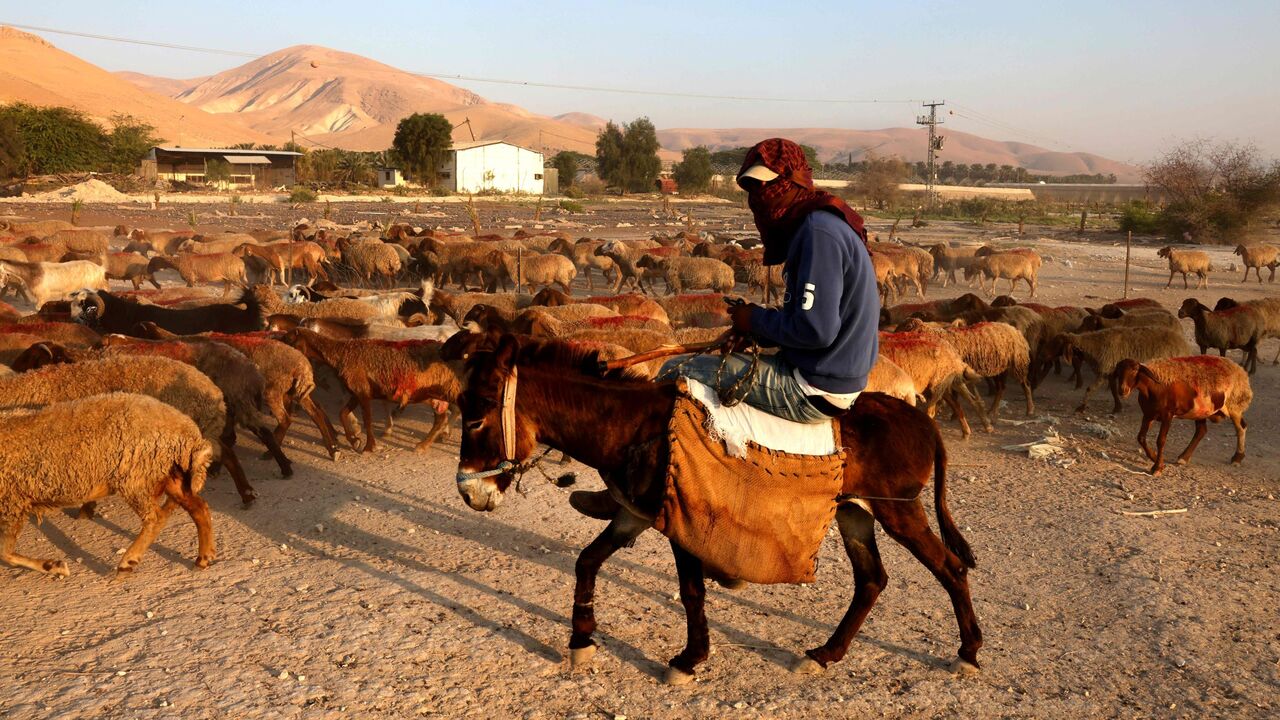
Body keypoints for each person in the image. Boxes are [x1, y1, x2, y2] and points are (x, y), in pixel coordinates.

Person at [569, 137, 880, 520]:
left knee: (674, 374)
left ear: (794, 178)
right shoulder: (820, 222)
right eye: (753, 186)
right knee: (710, 367)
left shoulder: (818, 234)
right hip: (828, 367)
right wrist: (757, 328)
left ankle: (637, 492)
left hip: (817, 383)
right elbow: (810, 321)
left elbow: (816, 330)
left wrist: (755, 321)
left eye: (769, 183)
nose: (761, 195)